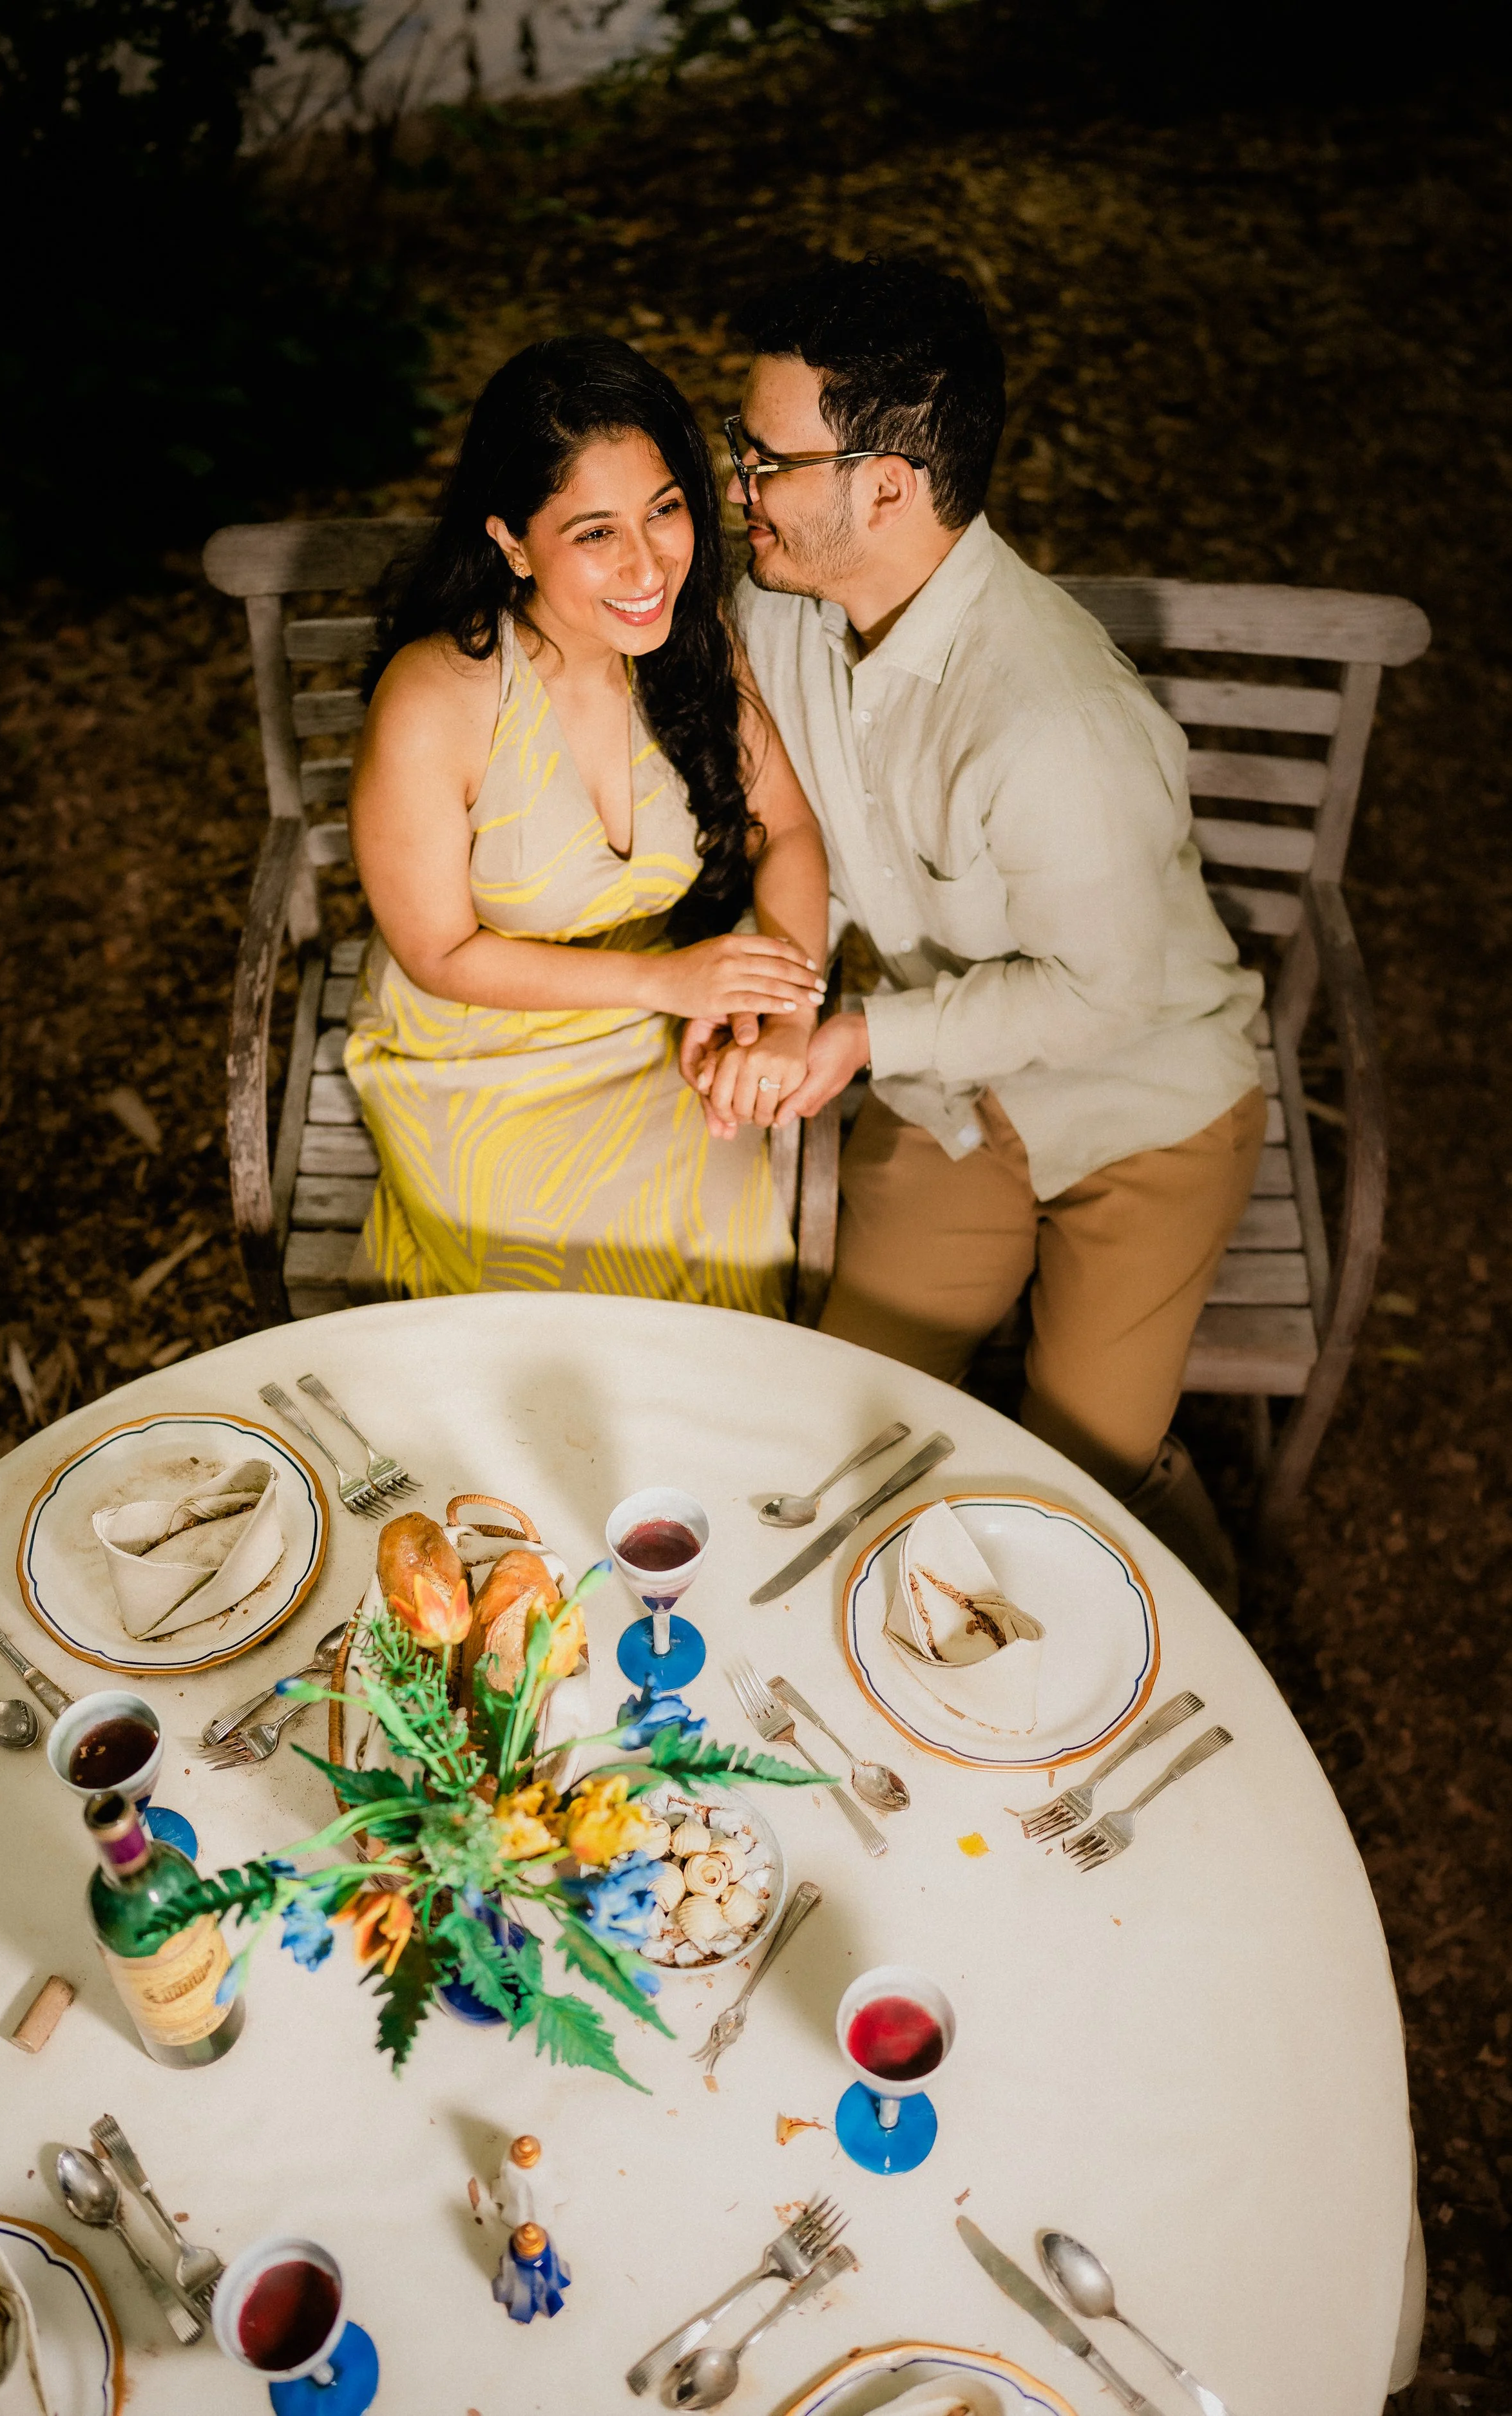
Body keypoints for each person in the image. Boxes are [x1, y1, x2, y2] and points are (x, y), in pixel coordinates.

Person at [689, 256, 1266, 1602]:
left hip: (1145, 1107)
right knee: (854, 1427)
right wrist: (780, 1005)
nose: (734, 487)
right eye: (738, 450)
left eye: (761, 459)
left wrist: (851, 1038)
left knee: (1080, 1489)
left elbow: (1105, 998)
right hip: (947, 1096)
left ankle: (1208, 1652)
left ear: (882, 485)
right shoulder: (773, 614)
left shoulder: (1055, 720)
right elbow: (800, 841)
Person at [345, 335, 829, 1314]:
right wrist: (666, 978)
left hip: (658, 1039)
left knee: (725, 1282)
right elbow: (439, 951)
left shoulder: (690, 643)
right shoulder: (437, 697)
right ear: (513, 541)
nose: (650, 564)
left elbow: (787, 829)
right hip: (480, 1056)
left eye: (665, 510)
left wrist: (784, 1008)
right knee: (548, 1311)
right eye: (596, 533)